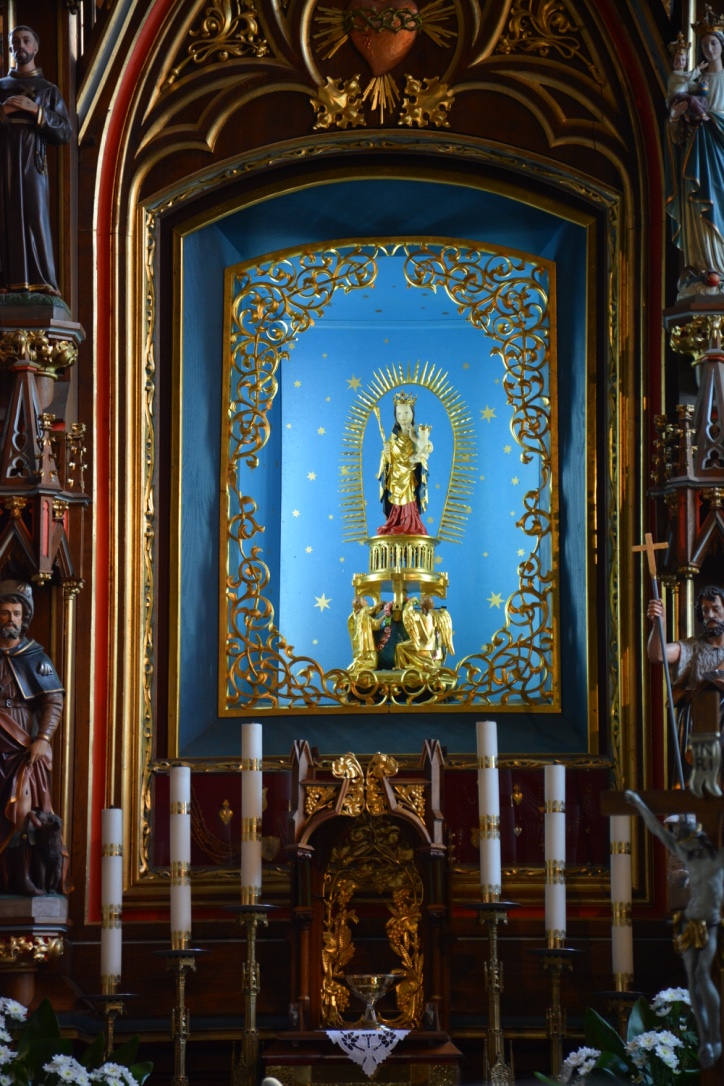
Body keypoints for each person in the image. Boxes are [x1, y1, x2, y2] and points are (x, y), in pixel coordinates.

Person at [625, 790, 724, 1069]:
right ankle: (707, 1038)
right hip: (689, 923)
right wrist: (640, 805)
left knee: (703, 976)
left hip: (709, 924)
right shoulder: (688, 856)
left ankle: (714, 1037)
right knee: (693, 980)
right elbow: (659, 830)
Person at [0, 580, 68, 896]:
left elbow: (53, 700)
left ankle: (22, 876)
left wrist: (43, 737)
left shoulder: (34, 656)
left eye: (16, 613)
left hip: (22, 742)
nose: (11, 619)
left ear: (23, 618)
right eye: (5, 613)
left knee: (23, 811)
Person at [0, 26, 72, 295]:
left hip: (33, 162)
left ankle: (43, 281)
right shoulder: (1, 87)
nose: (20, 46)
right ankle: (7, 282)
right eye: (15, 42)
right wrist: (4, 110)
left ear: (35, 47)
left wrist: (36, 110)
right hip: (4, 161)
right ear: (10, 48)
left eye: (26, 41)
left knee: (35, 216)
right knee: (6, 217)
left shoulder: (48, 90)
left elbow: (64, 132)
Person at [666, 12, 724, 295]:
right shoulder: (694, 79)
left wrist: (714, 120)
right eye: (704, 45)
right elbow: (676, 135)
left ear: (721, 45)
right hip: (695, 156)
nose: (709, 49)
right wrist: (675, 118)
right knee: (697, 207)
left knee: (717, 204)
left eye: (713, 43)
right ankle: (704, 268)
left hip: (720, 157)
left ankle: (721, 270)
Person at [647, 586, 724, 754]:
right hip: (700, 730)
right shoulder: (692, 647)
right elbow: (657, 655)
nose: (710, 615)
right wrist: (659, 623)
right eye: (705, 610)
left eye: (716, 609)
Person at [377, 392, 432, 536]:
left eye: (406, 412)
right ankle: (395, 522)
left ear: (412, 413)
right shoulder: (393, 438)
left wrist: (419, 459)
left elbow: (424, 453)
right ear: (395, 415)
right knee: (395, 501)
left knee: (410, 499)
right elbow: (388, 460)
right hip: (396, 476)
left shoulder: (416, 436)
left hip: (409, 475)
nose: (403, 417)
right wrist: (386, 454)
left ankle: (411, 524)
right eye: (399, 413)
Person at [394, 596, 454, 671]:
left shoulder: (418, 616)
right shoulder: (435, 616)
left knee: (399, 647)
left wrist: (411, 602)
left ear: (422, 606)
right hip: (431, 645)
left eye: (421, 606)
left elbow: (408, 612)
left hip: (422, 644)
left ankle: (403, 666)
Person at [667, 33, 709, 122]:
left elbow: (691, 86)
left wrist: (700, 84)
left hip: (684, 96)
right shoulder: (675, 74)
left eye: (683, 60)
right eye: (677, 60)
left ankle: (696, 113)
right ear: (672, 61)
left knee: (702, 99)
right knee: (691, 99)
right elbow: (686, 77)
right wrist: (698, 68)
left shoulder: (684, 74)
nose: (680, 63)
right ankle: (702, 114)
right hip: (676, 99)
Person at [347, 596, 385, 672]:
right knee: (372, 661)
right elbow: (372, 612)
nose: (365, 601)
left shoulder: (361, 616)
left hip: (363, 643)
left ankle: (359, 666)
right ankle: (360, 667)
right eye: (363, 600)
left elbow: (375, 624)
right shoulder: (364, 611)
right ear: (360, 604)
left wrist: (384, 615)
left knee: (369, 660)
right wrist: (379, 606)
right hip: (366, 642)